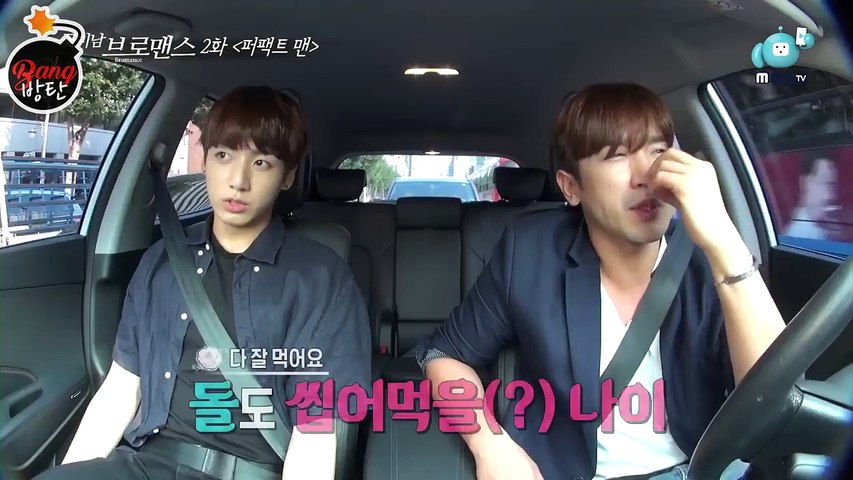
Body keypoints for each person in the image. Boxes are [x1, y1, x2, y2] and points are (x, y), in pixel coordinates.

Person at [415, 83, 787, 480]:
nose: (647, 177)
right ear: (571, 187)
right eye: (617, 156)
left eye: (657, 151)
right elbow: (442, 356)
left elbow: (774, 405)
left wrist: (725, 241)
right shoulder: (530, 251)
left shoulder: (710, 253)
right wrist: (489, 444)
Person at [35, 86, 372, 480]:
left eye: (261, 162)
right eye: (224, 155)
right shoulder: (160, 262)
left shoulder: (322, 279)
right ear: (206, 159)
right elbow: (121, 390)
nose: (238, 181)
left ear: (287, 176)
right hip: (143, 464)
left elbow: (316, 430)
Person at [784, 151, 839, 240]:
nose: (830, 195)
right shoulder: (798, 235)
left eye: (832, 184)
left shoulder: (825, 230)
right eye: (824, 182)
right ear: (804, 183)